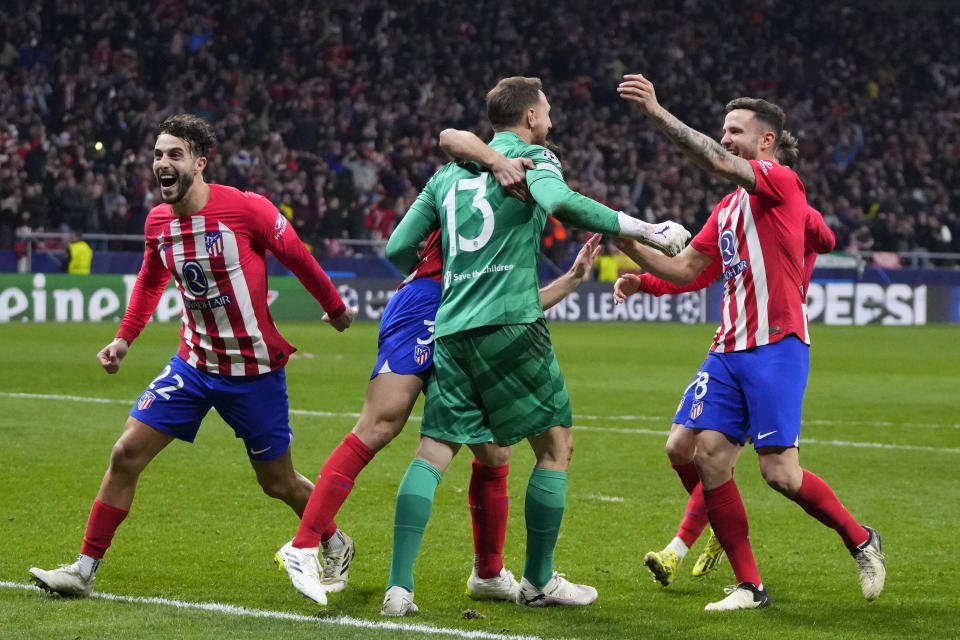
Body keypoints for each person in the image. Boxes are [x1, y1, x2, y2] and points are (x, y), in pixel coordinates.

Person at [378, 76, 690, 617]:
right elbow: (560, 202)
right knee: (555, 446)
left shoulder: (448, 175)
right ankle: (540, 580)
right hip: (514, 328)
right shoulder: (533, 159)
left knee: (433, 450)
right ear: (528, 118)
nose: (550, 120)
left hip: (451, 327)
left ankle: (399, 588)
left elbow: (398, 248)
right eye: (545, 110)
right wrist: (648, 230)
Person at [29, 114, 357, 597]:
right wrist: (125, 338)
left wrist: (336, 309)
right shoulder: (158, 221)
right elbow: (150, 279)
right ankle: (82, 570)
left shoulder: (249, 210)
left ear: (200, 163)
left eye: (174, 154)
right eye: (158, 154)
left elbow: (299, 259)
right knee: (125, 454)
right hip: (195, 365)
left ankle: (334, 541)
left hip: (254, 373)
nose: (163, 163)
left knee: (279, 483)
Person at [276, 145, 604, 607]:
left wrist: (569, 283)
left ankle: (488, 574)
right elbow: (414, 238)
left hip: (460, 308)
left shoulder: (477, 182)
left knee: (493, 452)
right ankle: (306, 545)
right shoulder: (489, 177)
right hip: (430, 300)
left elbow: (502, 299)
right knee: (382, 423)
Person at [612, 74, 886, 610]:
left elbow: (718, 162)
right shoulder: (728, 208)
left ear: (765, 142)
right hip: (728, 348)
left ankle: (861, 539)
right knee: (703, 455)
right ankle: (749, 586)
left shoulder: (780, 181)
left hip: (776, 346)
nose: (726, 137)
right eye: (723, 129)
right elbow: (688, 268)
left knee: (779, 474)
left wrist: (659, 114)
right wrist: (631, 251)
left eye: (735, 130)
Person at [617, 200, 837, 588]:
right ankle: (719, 521)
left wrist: (801, 214)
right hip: (730, 347)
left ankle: (681, 549)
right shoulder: (736, 219)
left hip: (770, 353)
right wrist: (645, 282)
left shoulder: (790, 210)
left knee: (732, 459)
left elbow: (826, 237)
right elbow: (698, 273)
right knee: (679, 448)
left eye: (737, 133)